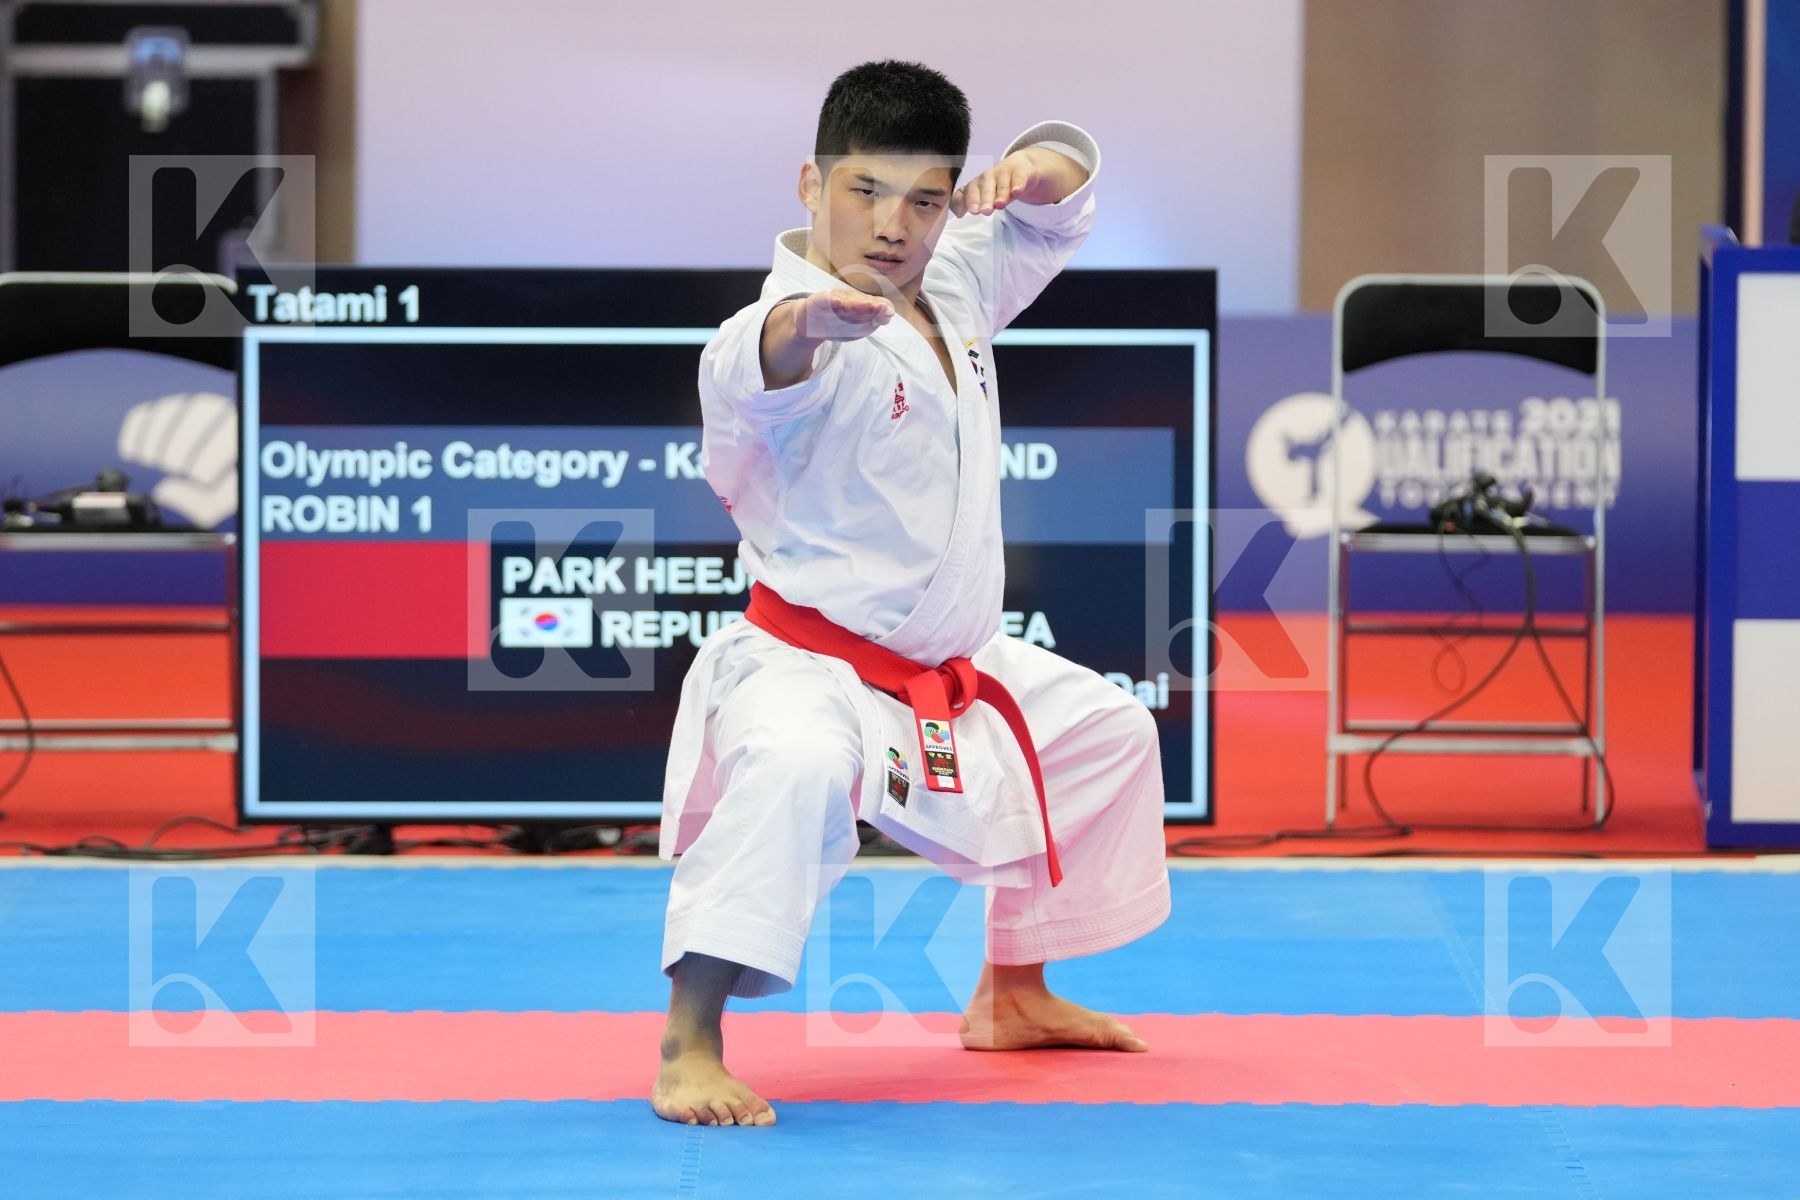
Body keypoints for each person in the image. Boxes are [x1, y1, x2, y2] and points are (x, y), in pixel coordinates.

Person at [652, 59, 1171, 1129]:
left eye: (924, 199)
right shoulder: (788, 325)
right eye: (865, 192)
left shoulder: (958, 278)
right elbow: (755, 370)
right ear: (811, 183)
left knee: (1108, 730)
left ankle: (1013, 994)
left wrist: (1033, 170)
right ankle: (688, 1043)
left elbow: (1066, 194)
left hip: (947, 663)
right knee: (791, 768)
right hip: (811, 666)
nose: (892, 225)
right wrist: (808, 329)